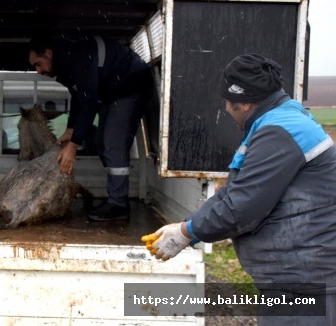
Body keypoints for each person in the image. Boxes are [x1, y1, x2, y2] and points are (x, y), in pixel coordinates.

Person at [144, 54, 336, 324]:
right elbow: (236, 191)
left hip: (304, 283)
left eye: (227, 103)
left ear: (244, 103)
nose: (226, 108)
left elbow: (242, 209)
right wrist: (187, 226)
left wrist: (186, 233)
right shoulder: (278, 122)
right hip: (297, 278)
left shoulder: (279, 132)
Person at [29, 35, 154, 221]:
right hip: (113, 92)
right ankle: (115, 199)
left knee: (113, 144)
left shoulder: (75, 57)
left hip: (131, 85)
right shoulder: (64, 65)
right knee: (103, 144)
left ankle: (119, 204)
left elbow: (88, 102)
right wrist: (71, 129)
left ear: (48, 54)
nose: (38, 71)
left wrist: (73, 145)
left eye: (38, 64)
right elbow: (78, 97)